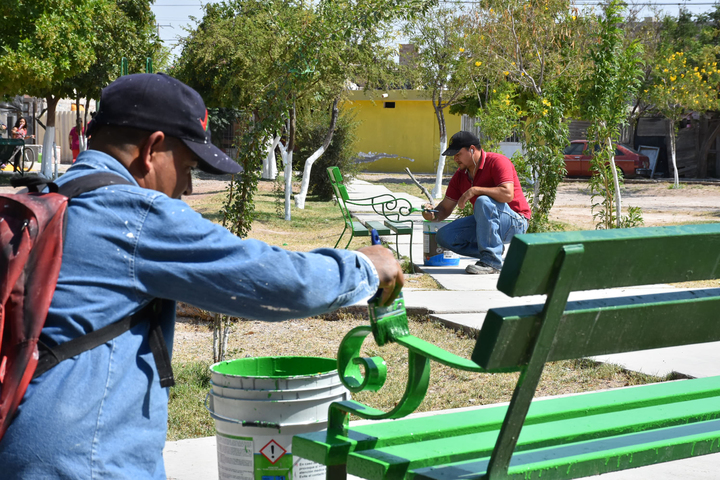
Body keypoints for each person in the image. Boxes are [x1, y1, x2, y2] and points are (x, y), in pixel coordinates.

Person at [0, 73, 403, 479]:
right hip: (86, 463)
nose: (190, 186)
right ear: (152, 149)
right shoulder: (134, 216)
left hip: (26, 449)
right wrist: (366, 267)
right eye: (189, 166)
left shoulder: (57, 197)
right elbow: (277, 281)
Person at [422, 131, 531, 274]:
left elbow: (507, 194)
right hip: (486, 224)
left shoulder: (497, 161)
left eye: (458, 154)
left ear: (472, 149)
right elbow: (445, 208)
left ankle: (492, 262)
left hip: (515, 223)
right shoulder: (460, 176)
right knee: (443, 236)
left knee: (483, 200)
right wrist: (432, 214)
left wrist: (475, 190)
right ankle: (492, 252)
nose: (455, 159)